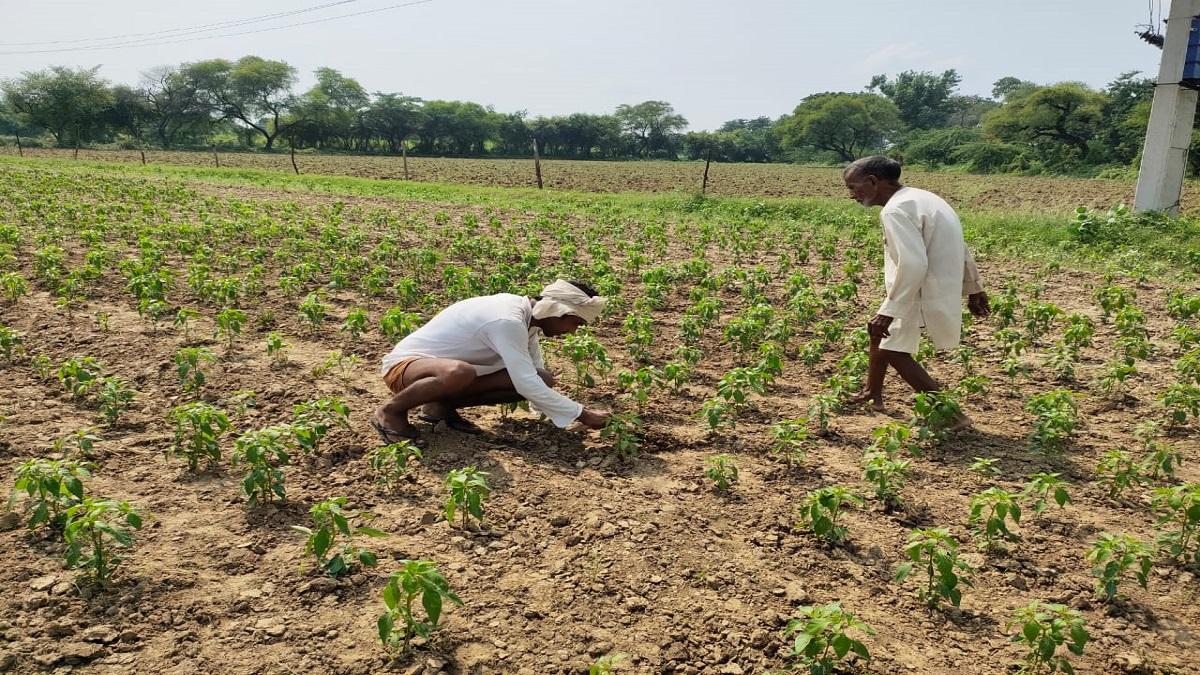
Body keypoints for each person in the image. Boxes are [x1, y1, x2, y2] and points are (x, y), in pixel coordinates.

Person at [842, 156, 990, 427]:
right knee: (879, 334)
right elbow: (960, 245)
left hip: (918, 289)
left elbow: (913, 264)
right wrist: (974, 287)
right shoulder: (927, 199)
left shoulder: (895, 211)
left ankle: (951, 415)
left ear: (873, 182)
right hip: (931, 285)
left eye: (853, 187)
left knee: (894, 347)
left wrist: (888, 311)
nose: (851, 194)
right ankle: (872, 392)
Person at [370, 279, 612, 445]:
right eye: (575, 323)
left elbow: (533, 375)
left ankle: (438, 408)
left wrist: (556, 413)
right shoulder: (507, 320)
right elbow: (526, 383)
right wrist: (581, 414)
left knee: (542, 378)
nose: (572, 332)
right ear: (557, 312)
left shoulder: (527, 322)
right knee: (459, 372)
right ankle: (390, 412)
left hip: (437, 375)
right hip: (404, 369)